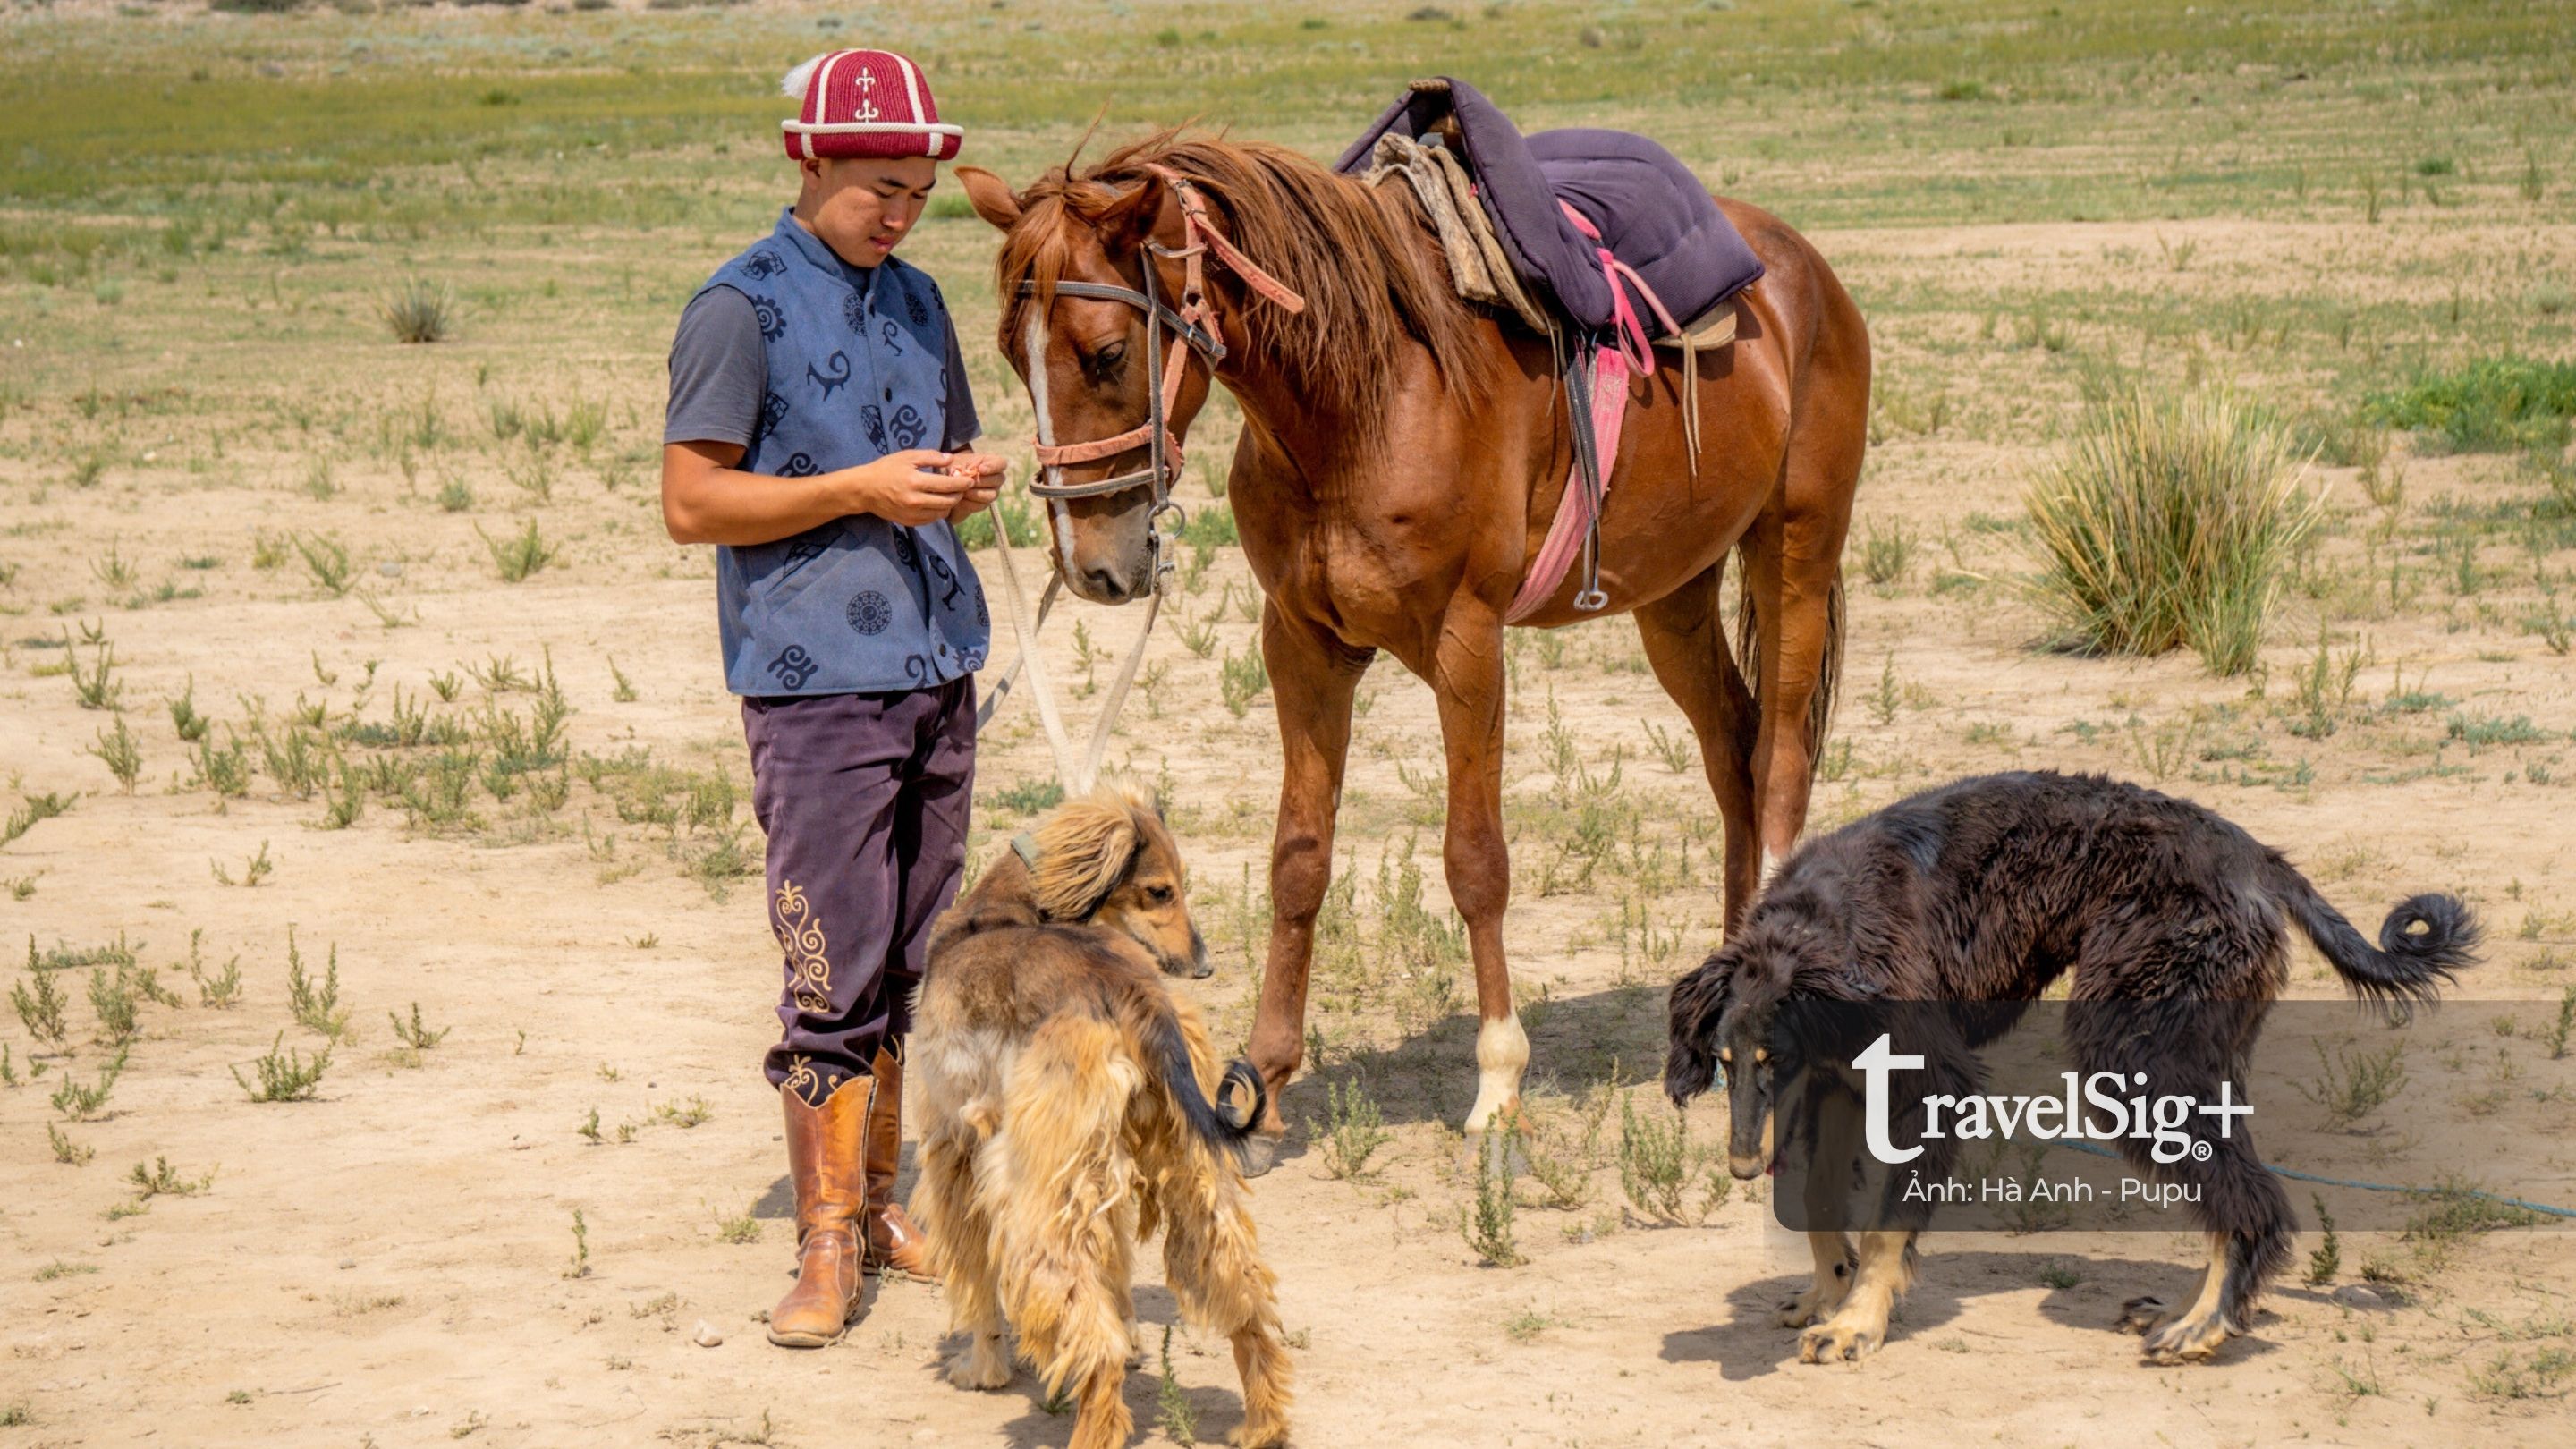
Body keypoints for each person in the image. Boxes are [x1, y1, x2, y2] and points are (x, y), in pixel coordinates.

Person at [659, 47, 1005, 1349]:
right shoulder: (736, 308)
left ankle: (875, 1202)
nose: (902, 213)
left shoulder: (919, 298)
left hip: (934, 667)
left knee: (916, 958)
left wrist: (965, 481)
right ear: (808, 162)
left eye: (918, 191)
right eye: (878, 189)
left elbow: (940, 444)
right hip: (813, 688)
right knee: (830, 963)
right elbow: (693, 502)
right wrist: (861, 489)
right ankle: (821, 1243)